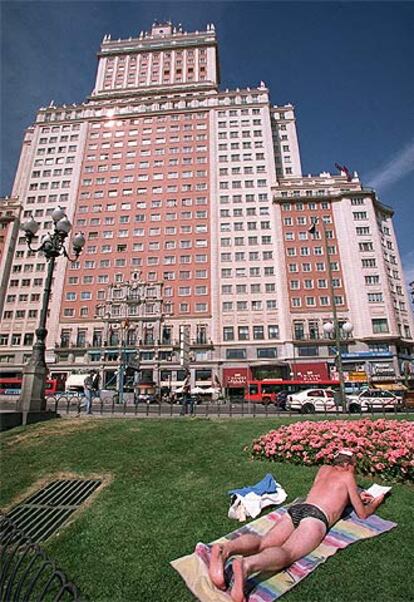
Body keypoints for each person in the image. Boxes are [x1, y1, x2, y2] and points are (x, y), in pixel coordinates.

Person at [209, 450, 385, 602]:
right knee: (287, 553)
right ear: (349, 465)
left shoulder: (323, 469)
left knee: (264, 542)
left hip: (298, 508)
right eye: (354, 467)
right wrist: (376, 502)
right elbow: (362, 513)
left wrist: (354, 496)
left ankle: (225, 549)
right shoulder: (347, 476)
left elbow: (330, 492)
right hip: (316, 516)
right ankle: (246, 565)